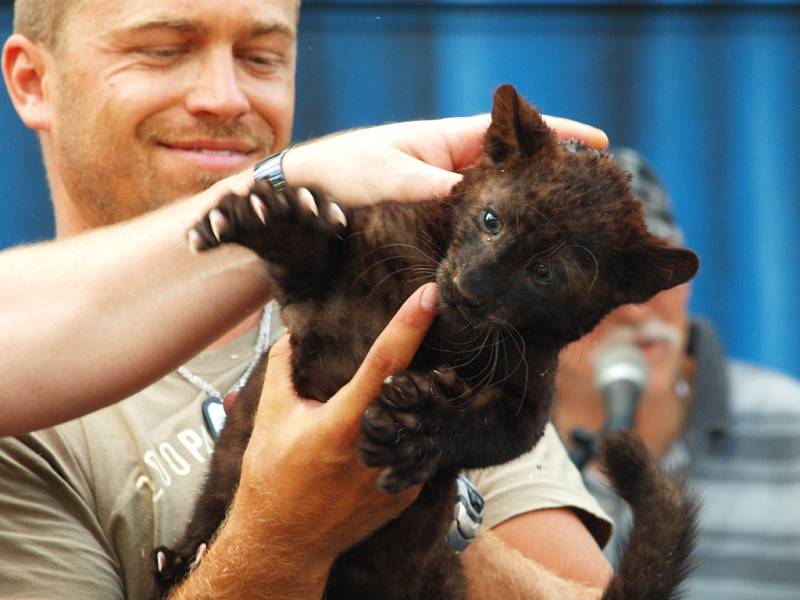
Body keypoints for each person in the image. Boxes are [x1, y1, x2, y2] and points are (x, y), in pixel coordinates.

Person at [0, 0, 616, 598]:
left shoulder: (443, 306)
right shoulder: (23, 415)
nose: (225, 96)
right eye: (162, 51)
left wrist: (423, 517)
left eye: (263, 57)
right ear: (32, 83)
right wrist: (282, 539)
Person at [553, 146, 800, 600]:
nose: (639, 306)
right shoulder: (487, 448)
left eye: (660, 264)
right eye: (605, 274)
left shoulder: (791, 424)